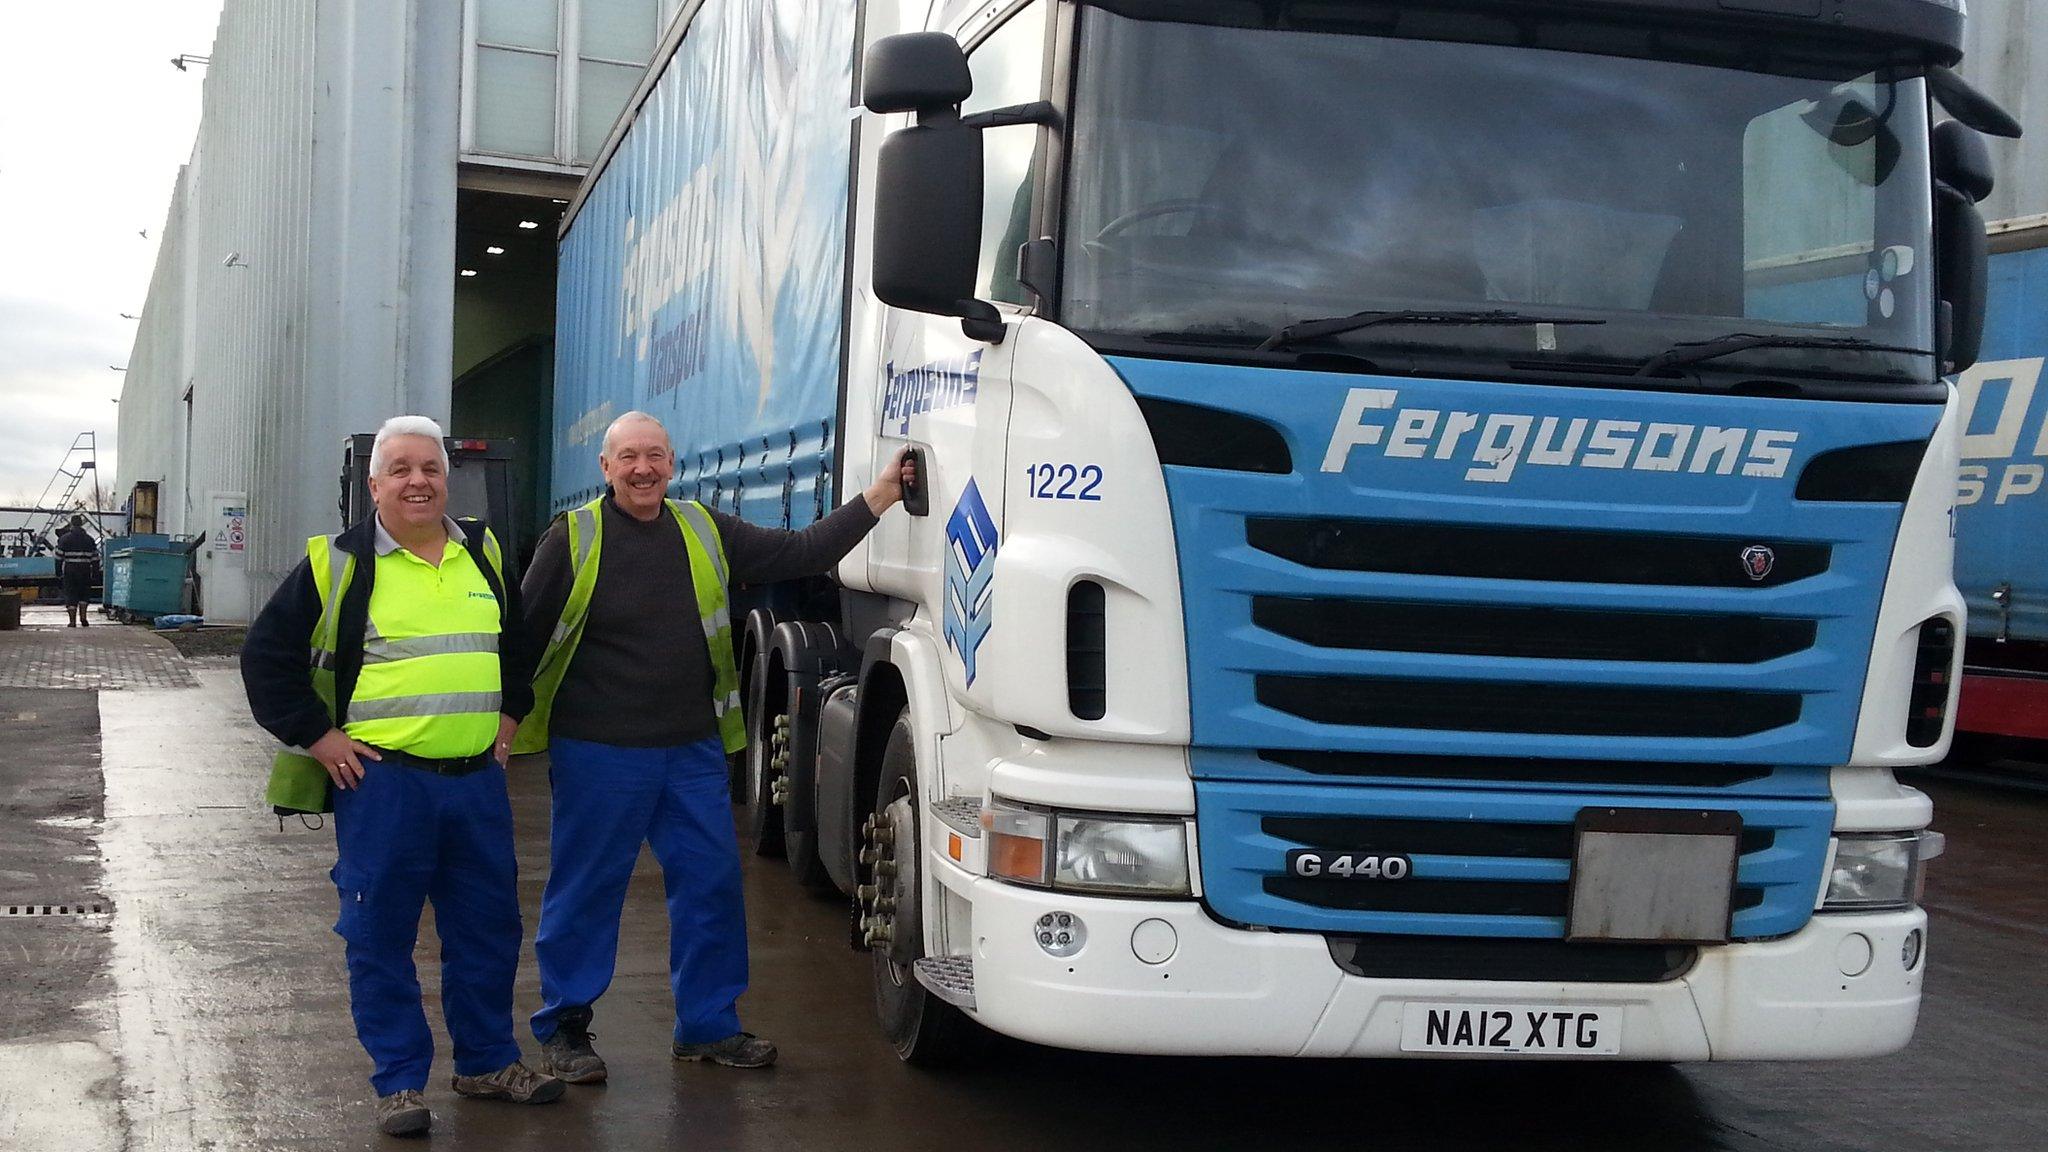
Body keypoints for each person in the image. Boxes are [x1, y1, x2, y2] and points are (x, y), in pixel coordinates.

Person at [517, 410, 911, 1084]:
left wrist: (881, 494)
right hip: (598, 752)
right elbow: (521, 637)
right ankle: (565, 1028)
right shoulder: (573, 538)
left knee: (710, 888)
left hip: (691, 751)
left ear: (672, 463)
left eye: (654, 457)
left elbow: (802, 551)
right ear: (606, 469)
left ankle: (707, 1026)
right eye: (627, 458)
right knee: (586, 891)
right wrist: (497, 727)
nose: (642, 469)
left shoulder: (703, 529)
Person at [241, 415, 561, 1136]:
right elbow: (266, 657)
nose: (419, 482)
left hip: (477, 784)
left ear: (447, 480)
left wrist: (511, 714)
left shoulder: (481, 553)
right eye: (402, 470)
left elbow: (517, 647)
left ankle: (485, 1062)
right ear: (374, 484)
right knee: (378, 934)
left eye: (431, 470)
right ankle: (398, 1082)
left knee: (487, 930)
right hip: (385, 788)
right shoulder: (338, 564)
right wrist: (319, 738)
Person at [55, 516, 96, 627]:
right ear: (82, 524)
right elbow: (95, 559)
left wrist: (58, 573)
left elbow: (58, 558)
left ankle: (72, 621)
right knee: (84, 594)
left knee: (71, 594)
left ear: (71, 524)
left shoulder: (64, 539)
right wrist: (95, 574)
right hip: (85, 570)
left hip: (70, 571)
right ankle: (83, 618)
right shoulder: (90, 540)